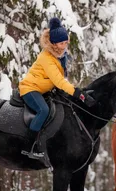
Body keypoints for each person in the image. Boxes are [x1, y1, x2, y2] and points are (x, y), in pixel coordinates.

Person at [19, 17, 96, 159]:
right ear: (54, 44)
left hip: (44, 89)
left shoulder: (59, 56)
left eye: (66, 42)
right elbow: (59, 81)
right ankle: (29, 145)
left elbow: (60, 80)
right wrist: (79, 94)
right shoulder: (46, 58)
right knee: (43, 110)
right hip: (30, 89)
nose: (65, 45)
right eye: (62, 43)